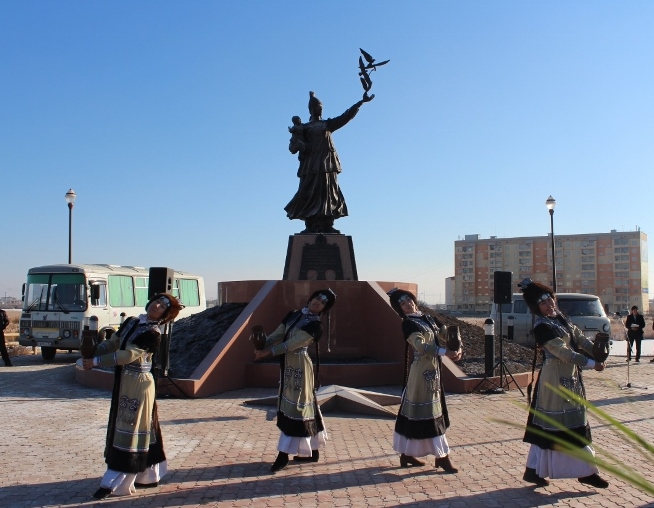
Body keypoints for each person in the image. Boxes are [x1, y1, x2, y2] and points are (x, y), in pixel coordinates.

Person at [83, 293, 182, 499]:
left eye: (162, 306)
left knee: (132, 428)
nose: (156, 305)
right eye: (156, 301)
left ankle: (114, 481)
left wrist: (97, 362)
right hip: (125, 381)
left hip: (139, 383)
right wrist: (94, 350)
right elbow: (114, 342)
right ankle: (142, 477)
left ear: (165, 314)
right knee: (131, 426)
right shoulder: (133, 322)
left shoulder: (152, 333)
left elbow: (128, 355)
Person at [518, 278, 609, 489]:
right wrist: (590, 363)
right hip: (555, 380)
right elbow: (563, 352)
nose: (549, 305)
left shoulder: (562, 319)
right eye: (543, 304)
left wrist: (596, 349)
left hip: (570, 378)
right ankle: (587, 471)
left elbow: (579, 339)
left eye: (550, 300)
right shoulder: (542, 327)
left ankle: (533, 470)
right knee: (562, 427)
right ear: (537, 308)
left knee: (551, 428)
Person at [254, 289, 335, 473]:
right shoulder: (294, 314)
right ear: (310, 298)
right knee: (306, 406)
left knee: (296, 408)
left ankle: (283, 455)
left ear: (323, 308)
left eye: (322, 302)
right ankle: (313, 451)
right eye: (316, 298)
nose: (317, 302)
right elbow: (278, 334)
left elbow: (293, 343)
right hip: (288, 365)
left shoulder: (316, 325)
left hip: (299, 366)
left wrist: (268, 352)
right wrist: (262, 343)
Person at [387, 288, 461, 472]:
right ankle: (442, 457)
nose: (407, 304)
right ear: (400, 309)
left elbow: (446, 333)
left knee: (428, 412)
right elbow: (420, 346)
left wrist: (457, 347)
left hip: (434, 369)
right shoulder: (408, 324)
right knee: (426, 412)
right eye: (402, 303)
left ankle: (407, 454)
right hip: (421, 372)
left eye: (408, 300)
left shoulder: (427, 318)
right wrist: (445, 352)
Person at [284, 91, 373, 234]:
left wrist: (360, 103)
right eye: (318, 107)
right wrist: (298, 144)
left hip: (327, 164)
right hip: (311, 166)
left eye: (321, 107)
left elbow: (345, 117)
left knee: (328, 193)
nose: (320, 109)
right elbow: (293, 146)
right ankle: (310, 223)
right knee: (309, 192)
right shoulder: (304, 128)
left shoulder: (327, 124)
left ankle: (328, 222)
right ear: (312, 109)